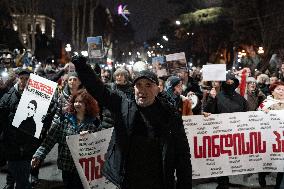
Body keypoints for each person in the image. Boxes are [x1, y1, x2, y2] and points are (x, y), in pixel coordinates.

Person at [71, 56, 192, 189]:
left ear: (157, 89)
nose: (142, 90)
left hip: (160, 182)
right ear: (133, 88)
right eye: (138, 85)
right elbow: (99, 90)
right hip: (129, 181)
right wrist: (82, 67)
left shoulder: (170, 115)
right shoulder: (123, 106)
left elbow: (183, 156)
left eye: (148, 85)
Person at [31, 89, 101, 189]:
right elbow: (50, 140)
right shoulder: (65, 119)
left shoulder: (95, 123)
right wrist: (38, 155)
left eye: (81, 102)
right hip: (67, 166)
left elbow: (101, 145)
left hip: (84, 168)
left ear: (88, 104)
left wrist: (91, 137)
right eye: (75, 101)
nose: (77, 104)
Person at [203, 73, 248, 189]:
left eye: (232, 82)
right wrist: (211, 99)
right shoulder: (217, 97)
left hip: (235, 134)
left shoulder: (240, 99)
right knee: (221, 160)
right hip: (220, 135)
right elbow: (208, 113)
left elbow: (247, 115)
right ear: (223, 83)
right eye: (227, 82)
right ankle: (223, 182)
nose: (230, 84)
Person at [0, 68, 39, 189]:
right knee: (14, 169)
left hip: (28, 141)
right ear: (17, 79)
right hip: (11, 141)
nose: (24, 81)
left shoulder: (36, 96)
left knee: (24, 173)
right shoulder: (8, 95)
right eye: (21, 78)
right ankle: (11, 182)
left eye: (27, 79)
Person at [257, 81, 284, 189]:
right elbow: (255, 118)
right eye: (279, 89)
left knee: (282, 164)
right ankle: (262, 174)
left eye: (283, 90)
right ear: (272, 91)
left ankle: (279, 185)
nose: (281, 91)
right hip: (270, 138)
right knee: (269, 161)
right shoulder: (266, 103)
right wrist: (263, 113)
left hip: (282, 139)